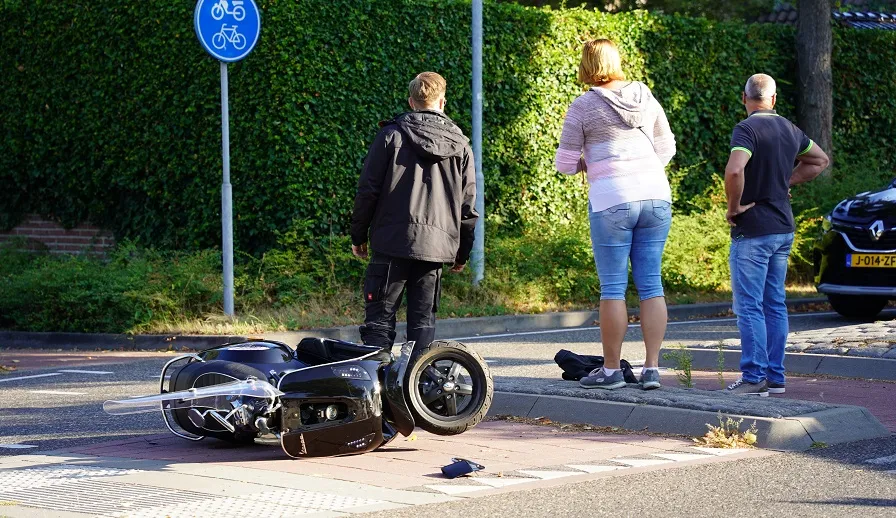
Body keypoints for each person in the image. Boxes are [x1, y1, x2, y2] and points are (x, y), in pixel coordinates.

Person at [555, 39, 676, 390]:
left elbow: (564, 163)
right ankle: (652, 369)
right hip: (656, 196)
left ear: (586, 65)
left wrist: (591, 163)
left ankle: (611, 371)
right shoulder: (645, 94)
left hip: (612, 200)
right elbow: (666, 147)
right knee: (651, 283)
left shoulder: (582, 106)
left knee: (613, 288)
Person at [351, 72, 478, 352]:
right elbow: (468, 207)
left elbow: (368, 191)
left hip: (391, 242)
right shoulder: (461, 145)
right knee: (422, 325)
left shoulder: (390, 135)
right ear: (442, 102)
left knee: (379, 324)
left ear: (411, 101)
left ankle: (376, 389)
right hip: (435, 247)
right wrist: (462, 252)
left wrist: (358, 235)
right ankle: (417, 390)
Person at [724, 73, 829, 396]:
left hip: (753, 229)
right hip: (783, 228)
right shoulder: (789, 128)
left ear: (745, 99)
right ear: (773, 99)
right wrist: (786, 181)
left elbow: (734, 169)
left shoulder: (746, 129)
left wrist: (734, 206)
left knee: (750, 306)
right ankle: (776, 378)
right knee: (775, 304)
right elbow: (819, 160)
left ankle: (754, 377)